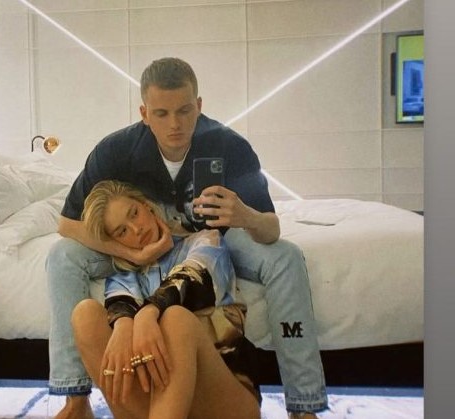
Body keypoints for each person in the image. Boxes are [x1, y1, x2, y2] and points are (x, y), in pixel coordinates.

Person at [47, 57, 328, 419]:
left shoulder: (230, 145)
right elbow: (66, 224)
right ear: (144, 113)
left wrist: (245, 215)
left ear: (199, 105)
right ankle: (75, 399)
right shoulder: (115, 151)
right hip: (142, 246)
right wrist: (128, 251)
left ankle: (304, 407)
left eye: (184, 111)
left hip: (216, 235)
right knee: (62, 256)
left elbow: (271, 229)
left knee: (285, 257)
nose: (175, 124)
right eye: (161, 113)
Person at [71, 180, 261, 418]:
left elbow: (192, 277)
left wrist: (148, 312)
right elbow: (120, 302)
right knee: (85, 315)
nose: (136, 229)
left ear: (147, 206)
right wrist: (122, 324)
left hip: (225, 398)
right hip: (160, 404)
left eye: (134, 214)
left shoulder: (205, 240)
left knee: (175, 319)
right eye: (122, 231)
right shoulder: (126, 275)